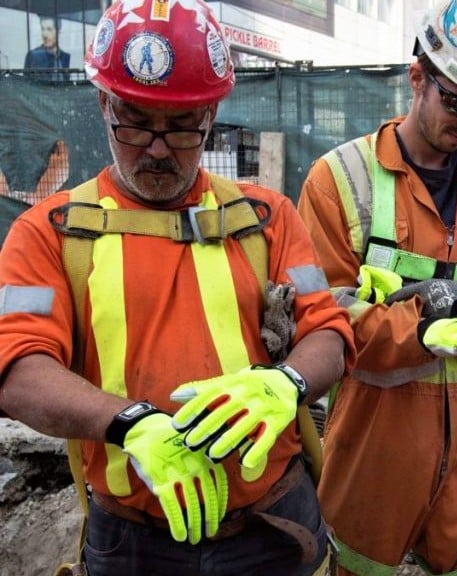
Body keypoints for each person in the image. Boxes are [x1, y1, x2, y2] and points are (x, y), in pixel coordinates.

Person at [0, 1, 353, 575]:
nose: (158, 148)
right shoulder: (50, 233)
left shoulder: (268, 218)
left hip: (271, 524)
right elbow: (17, 370)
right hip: (134, 542)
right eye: (136, 121)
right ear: (104, 104)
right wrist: (128, 424)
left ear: (212, 114)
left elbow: (329, 334)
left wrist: (286, 382)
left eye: (183, 126)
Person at [296, 1, 457, 574]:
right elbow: (321, 317)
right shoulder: (340, 182)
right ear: (418, 78)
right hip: (373, 450)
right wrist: (426, 330)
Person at [24, 16, 71, 80]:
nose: (44, 34)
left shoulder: (65, 57)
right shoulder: (33, 56)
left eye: (49, 29)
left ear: (58, 32)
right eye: (42, 29)